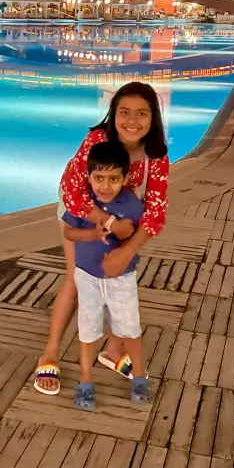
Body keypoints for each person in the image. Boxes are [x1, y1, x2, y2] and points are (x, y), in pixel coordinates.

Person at [34, 81, 169, 396]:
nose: (132, 121)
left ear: (153, 118)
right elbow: (72, 189)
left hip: (125, 221)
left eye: (141, 114)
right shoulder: (97, 140)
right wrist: (107, 222)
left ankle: (111, 351)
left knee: (121, 280)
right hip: (82, 213)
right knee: (77, 278)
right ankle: (50, 352)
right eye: (124, 112)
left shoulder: (155, 156)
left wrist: (127, 249)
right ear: (113, 114)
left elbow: (156, 213)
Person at [62, 141, 150, 410]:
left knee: (129, 327)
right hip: (86, 276)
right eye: (98, 178)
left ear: (125, 178)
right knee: (88, 328)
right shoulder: (83, 203)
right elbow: (68, 233)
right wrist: (92, 233)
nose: (105, 185)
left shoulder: (132, 205)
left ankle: (139, 375)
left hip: (121, 279)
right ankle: (85, 380)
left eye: (113, 179)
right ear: (88, 176)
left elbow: (137, 235)